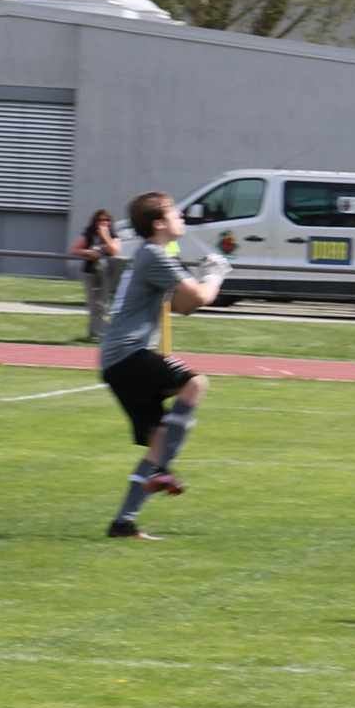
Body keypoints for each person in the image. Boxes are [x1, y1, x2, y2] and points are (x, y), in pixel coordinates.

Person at [98, 191, 228, 538]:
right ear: (158, 224)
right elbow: (200, 296)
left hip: (118, 358)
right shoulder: (153, 254)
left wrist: (204, 276)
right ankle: (161, 471)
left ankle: (123, 523)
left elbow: (185, 306)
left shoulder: (156, 255)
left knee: (158, 443)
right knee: (196, 383)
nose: (181, 217)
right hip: (127, 354)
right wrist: (216, 274)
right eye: (175, 213)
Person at [70, 208, 123, 341]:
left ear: (110, 222)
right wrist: (88, 252)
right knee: (94, 305)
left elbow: (115, 251)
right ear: (95, 222)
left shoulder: (114, 236)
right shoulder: (89, 235)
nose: (102, 223)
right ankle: (95, 334)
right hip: (90, 273)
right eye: (99, 220)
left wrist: (105, 236)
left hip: (108, 274)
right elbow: (73, 249)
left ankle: (104, 334)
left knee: (105, 305)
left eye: (106, 220)